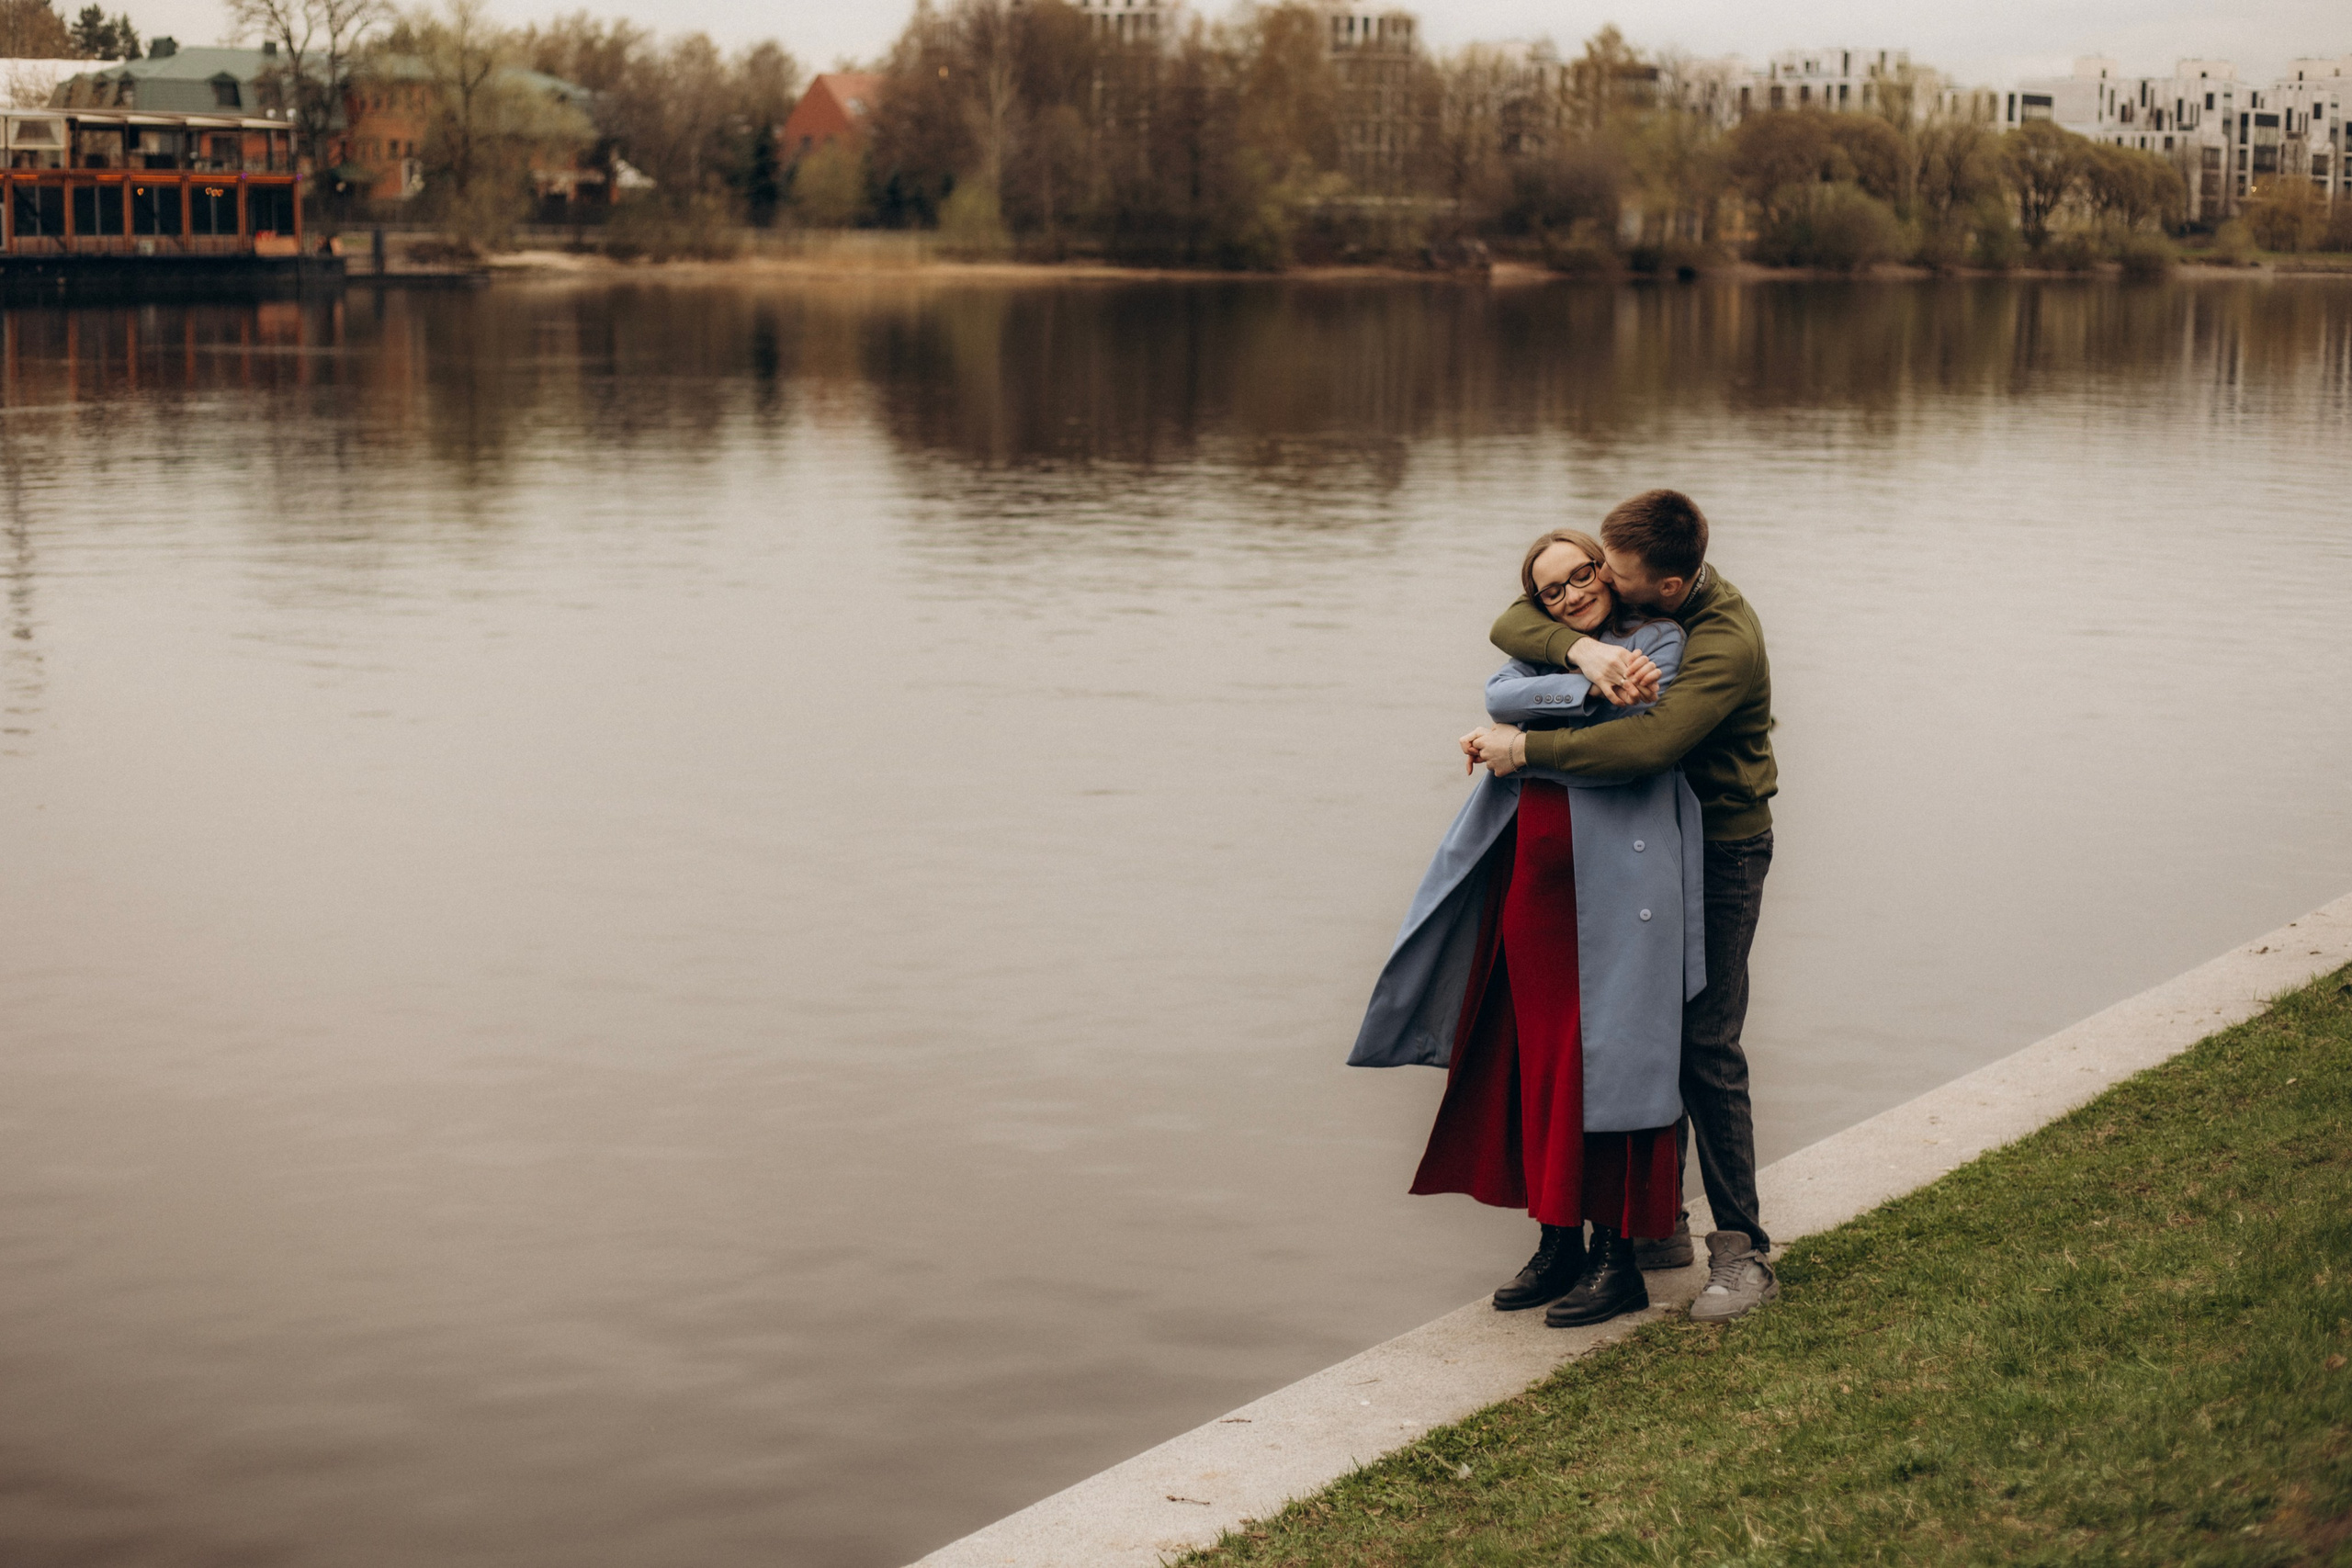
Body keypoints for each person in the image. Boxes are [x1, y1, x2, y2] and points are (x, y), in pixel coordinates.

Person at [1349, 527, 1707, 1329]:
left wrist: (1520, 747)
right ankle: (1557, 1241)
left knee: (1608, 1063)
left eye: (1584, 574)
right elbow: (1500, 693)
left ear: (1607, 574)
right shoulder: (1556, 654)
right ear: (1540, 604)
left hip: (1620, 891)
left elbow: (1631, 733)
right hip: (1536, 888)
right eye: (1553, 590)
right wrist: (1582, 672)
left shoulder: (1659, 639)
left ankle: (1618, 1258)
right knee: (1542, 1061)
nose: (1574, 592)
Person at [1467, 489, 1779, 1325]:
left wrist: (1521, 747)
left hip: (1721, 847)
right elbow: (1512, 622)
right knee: (1646, 1028)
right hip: (1655, 846)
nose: (1597, 581)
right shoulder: (1634, 595)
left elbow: (1647, 742)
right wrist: (1580, 652)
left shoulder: (1717, 641)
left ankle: (1744, 1250)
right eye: (1587, 568)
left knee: (1703, 1040)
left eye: (1612, 573)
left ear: (1664, 586)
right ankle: (1653, 1226)